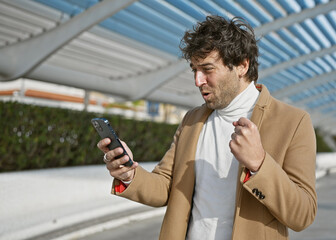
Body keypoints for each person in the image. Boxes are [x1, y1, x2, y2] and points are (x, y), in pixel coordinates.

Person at [97, 15, 317, 240]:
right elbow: (165, 186)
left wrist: (260, 164)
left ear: (242, 65)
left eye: (207, 69)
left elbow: (303, 214)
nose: (197, 80)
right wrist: (129, 174)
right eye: (194, 70)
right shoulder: (192, 120)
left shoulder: (293, 122)